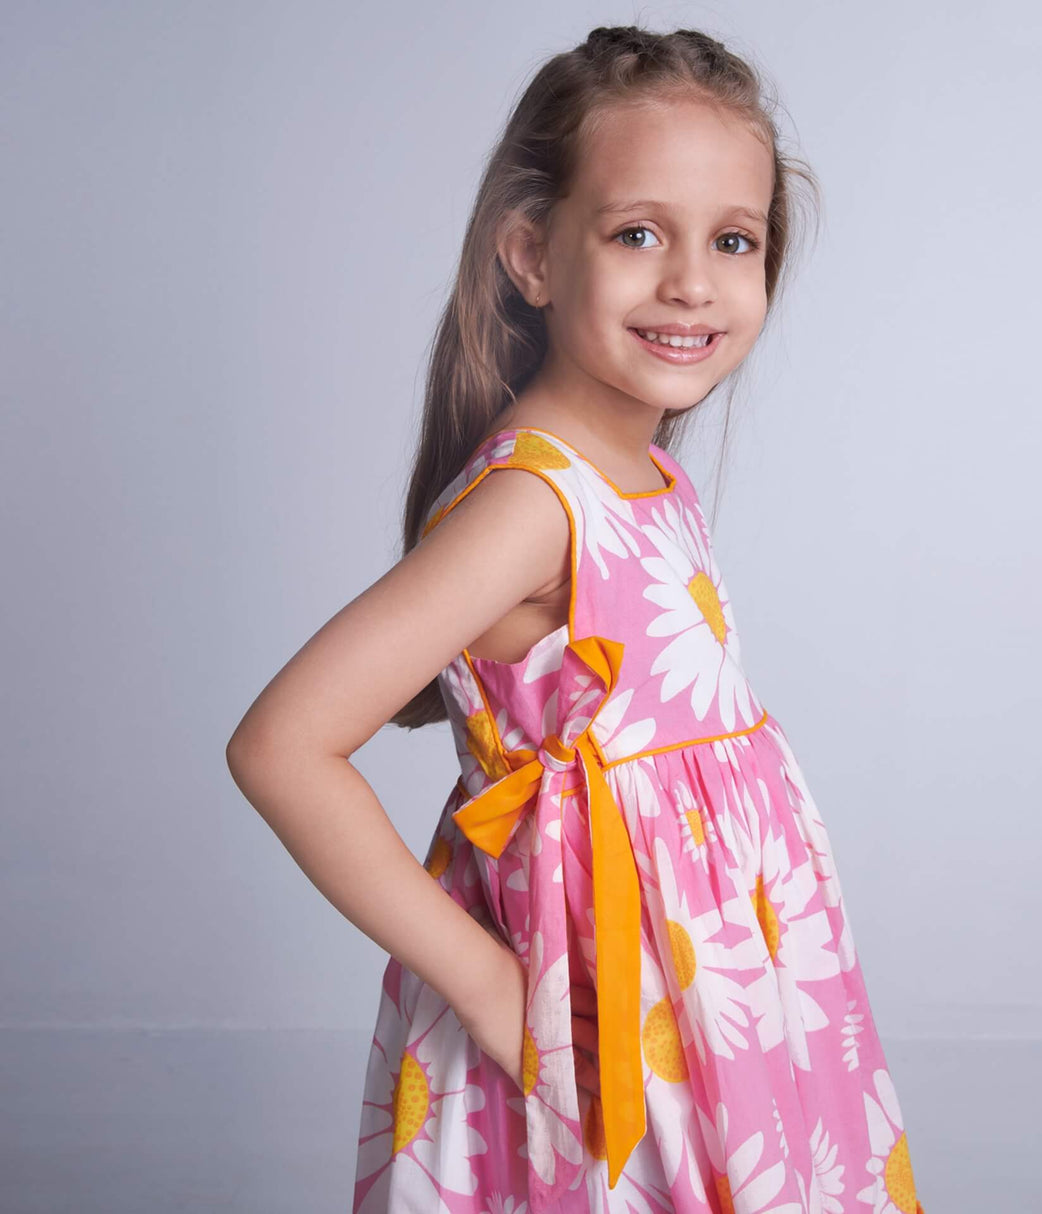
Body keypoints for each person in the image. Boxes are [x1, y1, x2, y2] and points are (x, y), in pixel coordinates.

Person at [226, 22, 927, 1214]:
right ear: (532, 255)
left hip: (716, 1001)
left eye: (733, 240)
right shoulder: (530, 507)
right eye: (637, 233)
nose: (691, 281)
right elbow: (281, 745)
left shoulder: (646, 479)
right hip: (603, 1013)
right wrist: (495, 992)